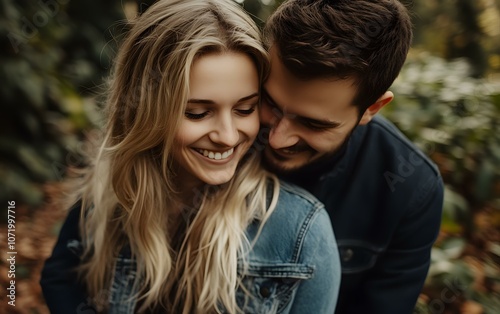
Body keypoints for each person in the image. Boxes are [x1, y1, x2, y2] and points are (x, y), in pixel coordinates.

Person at [39, 0, 341, 313]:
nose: (227, 135)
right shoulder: (107, 193)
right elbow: (60, 280)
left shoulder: (301, 232)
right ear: (145, 110)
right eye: (197, 113)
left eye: (245, 109)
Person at [260, 0, 445, 313]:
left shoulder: (410, 189)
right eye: (270, 102)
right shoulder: (214, 136)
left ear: (372, 108)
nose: (277, 138)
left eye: (313, 123)